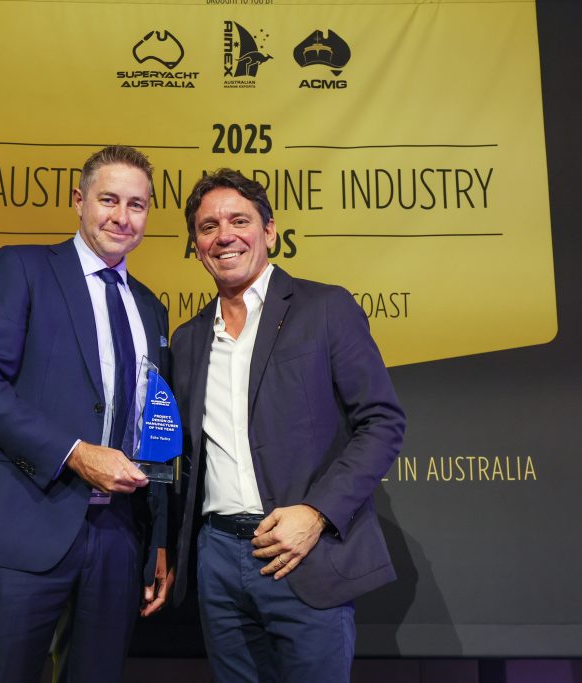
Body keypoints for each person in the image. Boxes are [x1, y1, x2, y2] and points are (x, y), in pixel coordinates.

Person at [0, 145, 173, 682]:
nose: (122, 217)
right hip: (24, 524)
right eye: (109, 200)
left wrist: (157, 538)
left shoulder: (150, 307)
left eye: (137, 205)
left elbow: (156, 427)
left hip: (118, 539)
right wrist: (74, 453)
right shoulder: (23, 268)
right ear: (78, 200)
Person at [171, 169, 406, 682]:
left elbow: (382, 422)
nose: (224, 236)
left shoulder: (325, 308)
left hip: (304, 555)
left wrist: (317, 514)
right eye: (208, 227)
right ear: (196, 246)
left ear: (270, 231)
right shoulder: (187, 338)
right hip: (217, 561)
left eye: (239, 221)